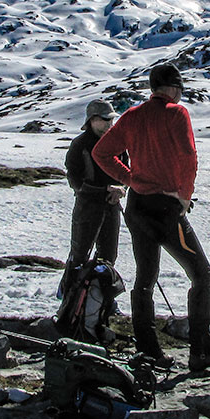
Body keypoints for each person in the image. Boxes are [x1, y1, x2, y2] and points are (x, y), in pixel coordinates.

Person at [92, 63, 210, 372]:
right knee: (201, 274)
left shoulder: (132, 116)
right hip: (166, 209)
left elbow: (101, 153)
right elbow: (188, 157)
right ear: (173, 88)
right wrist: (184, 196)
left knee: (145, 279)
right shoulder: (176, 113)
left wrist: (130, 179)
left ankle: (149, 352)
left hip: (137, 207)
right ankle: (201, 351)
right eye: (180, 88)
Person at [59, 99, 125, 298]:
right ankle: (69, 298)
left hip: (111, 205)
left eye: (111, 119)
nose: (109, 124)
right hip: (87, 206)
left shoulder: (118, 143)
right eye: (105, 119)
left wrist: (121, 188)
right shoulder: (80, 144)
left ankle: (101, 301)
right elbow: (74, 180)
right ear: (92, 120)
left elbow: (127, 172)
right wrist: (105, 189)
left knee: (108, 257)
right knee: (79, 255)